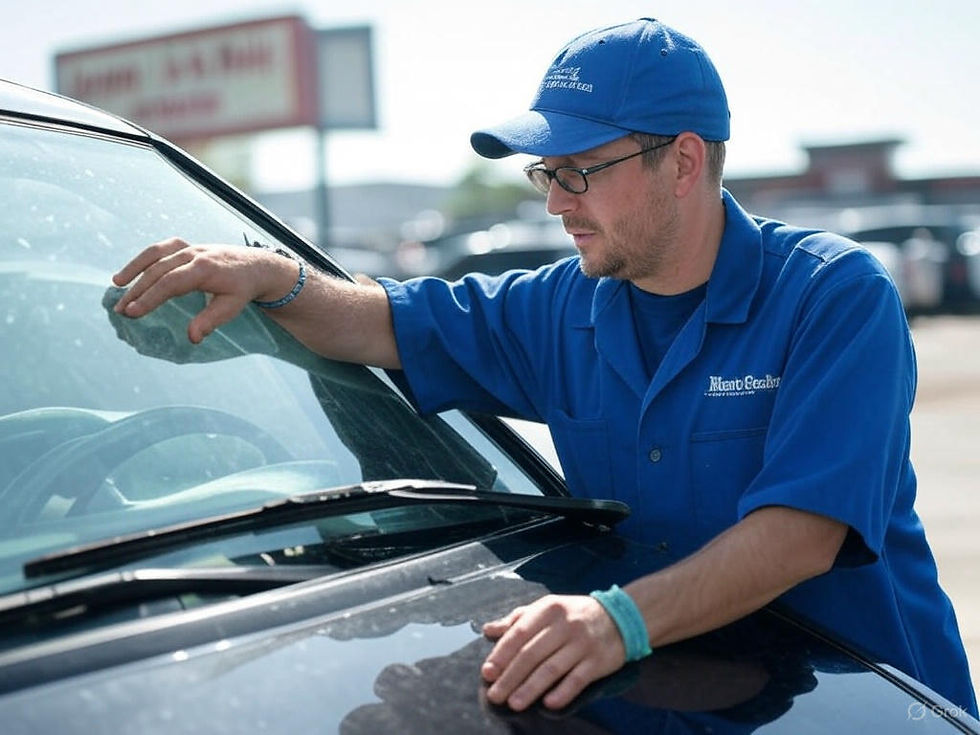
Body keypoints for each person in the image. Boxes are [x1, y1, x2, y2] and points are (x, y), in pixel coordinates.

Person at [112, 18, 977, 717]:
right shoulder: (560, 307)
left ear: (681, 161)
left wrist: (616, 621)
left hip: (861, 697)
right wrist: (280, 278)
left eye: (580, 172)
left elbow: (799, 532)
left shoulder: (832, 295)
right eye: (547, 174)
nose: (556, 201)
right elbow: (383, 323)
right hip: (667, 698)